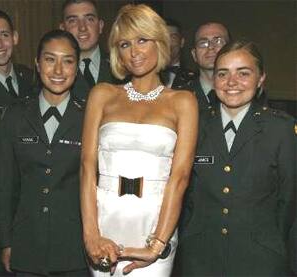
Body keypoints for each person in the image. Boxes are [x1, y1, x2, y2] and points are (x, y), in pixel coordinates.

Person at [80, 4, 198, 276]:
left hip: (156, 224)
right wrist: (91, 237)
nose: (133, 52)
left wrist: (157, 245)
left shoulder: (183, 101)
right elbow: (87, 168)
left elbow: (179, 178)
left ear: (159, 41)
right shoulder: (102, 94)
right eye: (124, 44)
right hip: (104, 223)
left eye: (142, 40)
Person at [174, 40, 296, 276]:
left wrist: (270, 244)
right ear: (213, 79)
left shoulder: (280, 130)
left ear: (260, 79)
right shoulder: (194, 125)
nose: (232, 82)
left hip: (261, 259)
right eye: (223, 74)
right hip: (199, 258)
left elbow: (289, 200)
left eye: (243, 73)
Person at [0, 29, 88, 276]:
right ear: (37, 64)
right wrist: (6, 241)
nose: (58, 70)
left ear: (77, 66)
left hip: (76, 248)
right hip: (27, 245)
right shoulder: (15, 116)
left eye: (67, 61)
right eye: (50, 59)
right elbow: (5, 184)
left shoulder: (90, 117)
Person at [60, 0, 117, 101]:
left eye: (89, 19)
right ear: (63, 29)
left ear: (100, 26)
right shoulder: (55, 73)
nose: (82, 28)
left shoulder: (121, 66)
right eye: (73, 21)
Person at [190, 22, 230, 111]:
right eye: (203, 43)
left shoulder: (245, 92)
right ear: (194, 55)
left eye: (218, 41)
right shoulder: (179, 95)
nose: (211, 47)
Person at [161, 18, 195, 90]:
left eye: (173, 37)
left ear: (181, 42)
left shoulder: (194, 78)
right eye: (164, 38)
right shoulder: (148, 77)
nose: (168, 43)